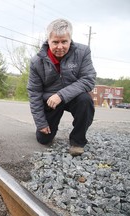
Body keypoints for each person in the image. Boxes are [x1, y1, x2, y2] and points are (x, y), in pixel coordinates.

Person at [27, 18, 96, 156]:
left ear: (70, 39)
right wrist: (41, 123)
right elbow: (34, 93)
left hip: (73, 97)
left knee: (85, 100)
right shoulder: (36, 62)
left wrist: (61, 95)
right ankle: (45, 129)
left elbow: (88, 79)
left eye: (64, 41)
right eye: (55, 42)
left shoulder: (83, 52)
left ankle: (77, 141)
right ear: (48, 40)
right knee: (43, 140)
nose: (60, 47)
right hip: (50, 102)